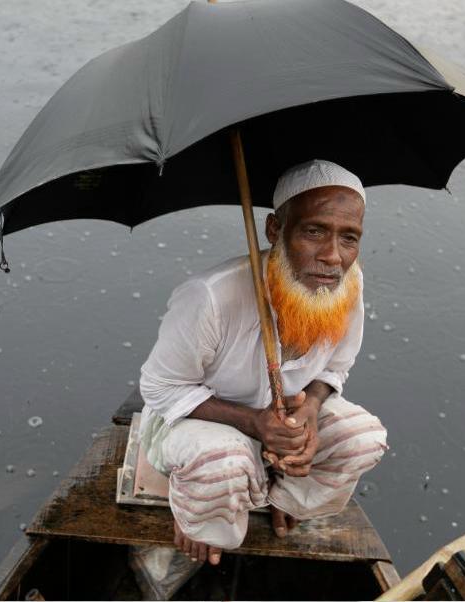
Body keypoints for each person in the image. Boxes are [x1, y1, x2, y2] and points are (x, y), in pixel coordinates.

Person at [138, 159, 388, 566]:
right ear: (275, 229)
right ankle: (200, 519)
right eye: (314, 231)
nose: (332, 257)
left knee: (362, 440)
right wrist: (255, 423)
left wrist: (309, 407)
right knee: (223, 463)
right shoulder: (209, 297)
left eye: (349, 238)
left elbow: (334, 369)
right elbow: (161, 389)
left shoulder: (346, 285)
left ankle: (285, 498)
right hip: (193, 422)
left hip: (280, 419)